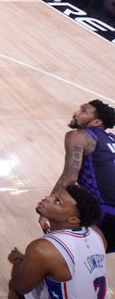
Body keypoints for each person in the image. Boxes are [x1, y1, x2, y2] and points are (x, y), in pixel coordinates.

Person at [7, 184, 107, 299]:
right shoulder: (97, 234)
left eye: (58, 201)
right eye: (54, 195)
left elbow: (21, 288)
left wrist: (17, 260)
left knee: (16, 286)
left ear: (73, 220)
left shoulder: (41, 249)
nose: (48, 198)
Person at [44, 100, 115, 251]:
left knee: (68, 254)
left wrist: (48, 208)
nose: (76, 113)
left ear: (96, 121)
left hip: (104, 212)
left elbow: (70, 177)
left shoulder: (78, 136)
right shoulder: (112, 139)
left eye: (84, 111)